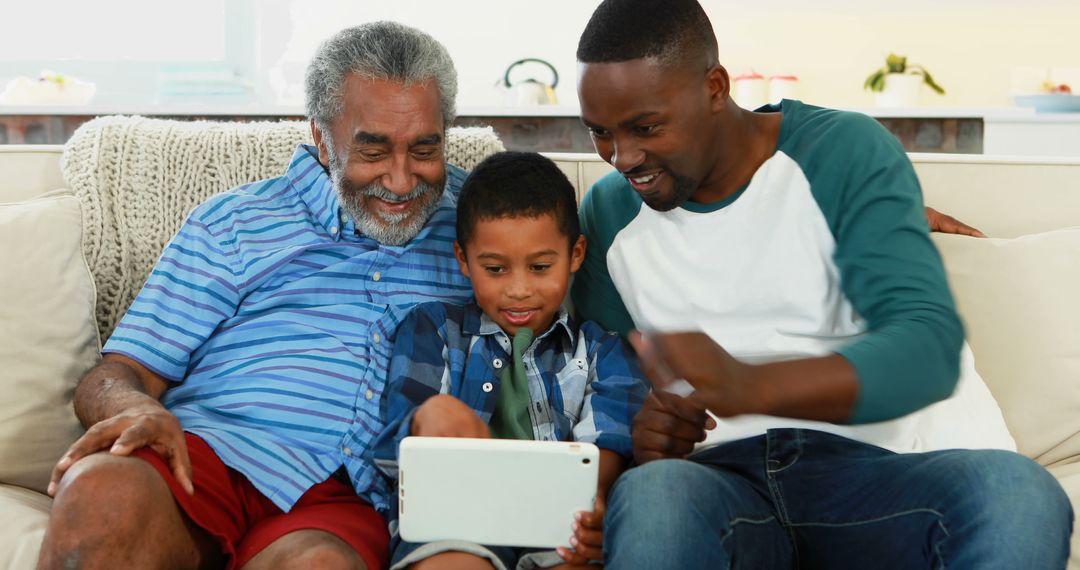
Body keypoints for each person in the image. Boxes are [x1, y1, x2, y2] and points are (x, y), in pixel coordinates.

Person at [570, 1, 1072, 568]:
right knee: (653, 494)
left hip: (884, 474)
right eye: (600, 133)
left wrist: (749, 385)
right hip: (728, 485)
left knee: (1019, 493)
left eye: (645, 127)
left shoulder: (843, 151)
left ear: (714, 87)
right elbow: (606, 381)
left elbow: (923, 351)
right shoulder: (609, 215)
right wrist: (650, 431)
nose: (622, 158)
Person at [38, 22, 473, 570]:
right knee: (102, 494)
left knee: (318, 566)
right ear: (320, 137)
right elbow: (115, 374)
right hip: (207, 458)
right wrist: (135, 408)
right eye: (374, 150)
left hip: (346, 495)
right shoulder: (234, 223)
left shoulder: (481, 231)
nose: (403, 180)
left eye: (425, 149)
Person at [370, 151, 648, 570]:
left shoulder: (601, 352)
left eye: (540, 266)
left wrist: (593, 505)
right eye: (495, 269)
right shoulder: (433, 331)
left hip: (560, 529)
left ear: (575, 255)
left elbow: (610, 446)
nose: (519, 290)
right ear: (464, 260)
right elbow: (392, 457)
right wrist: (425, 420)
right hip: (454, 524)